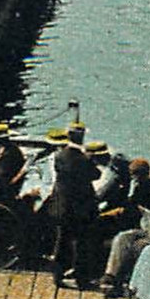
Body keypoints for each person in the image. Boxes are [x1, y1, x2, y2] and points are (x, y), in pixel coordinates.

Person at [51, 122, 102, 288]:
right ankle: (82, 279)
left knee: (62, 241)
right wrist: (90, 158)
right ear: (82, 137)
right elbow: (96, 174)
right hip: (79, 210)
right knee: (82, 244)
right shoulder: (82, 159)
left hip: (62, 206)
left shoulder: (59, 156)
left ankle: (57, 276)